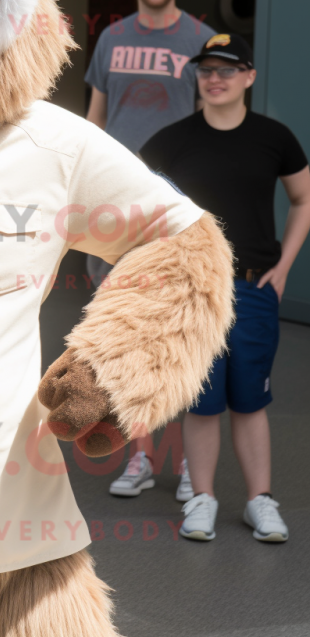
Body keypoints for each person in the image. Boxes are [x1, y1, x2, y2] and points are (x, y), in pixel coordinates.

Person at [139, 33, 310, 541]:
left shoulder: (274, 137)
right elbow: (139, 205)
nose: (215, 78)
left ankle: (261, 501)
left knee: (250, 400)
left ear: (249, 77)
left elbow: (303, 199)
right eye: (207, 69)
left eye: (228, 70)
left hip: (254, 289)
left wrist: (284, 266)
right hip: (194, 293)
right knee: (202, 402)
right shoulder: (173, 139)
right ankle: (203, 500)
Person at [85, 0, 216, 498]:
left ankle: (191, 466)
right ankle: (140, 457)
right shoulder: (111, 39)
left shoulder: (204, 40)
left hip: (178, 208)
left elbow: (219, 124)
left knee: (182, 335)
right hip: (117, 209)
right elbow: (92, 120)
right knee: (128, 335)